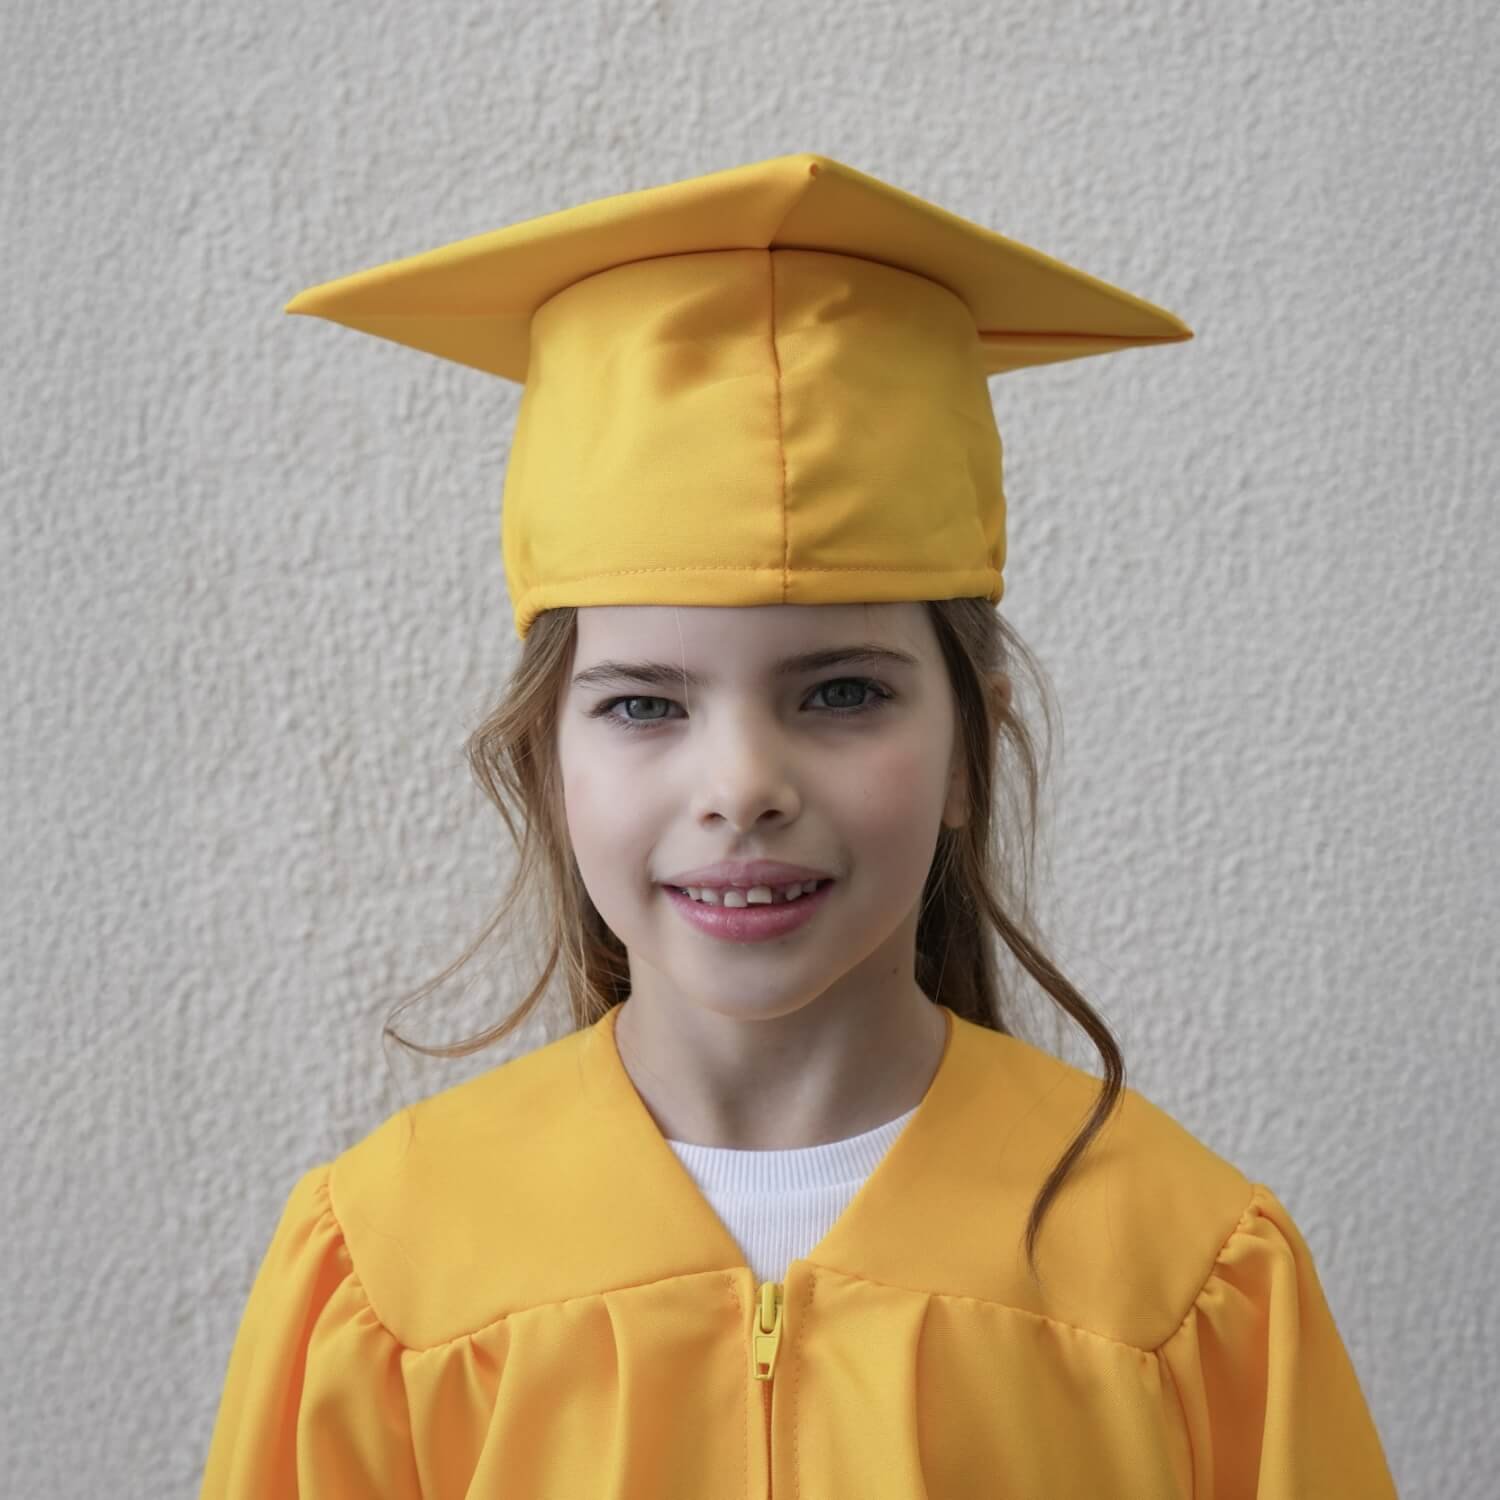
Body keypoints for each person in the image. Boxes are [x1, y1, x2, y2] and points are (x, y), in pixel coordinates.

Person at [198, 152, 1399, 1496]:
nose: (742, 784)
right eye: (645, 705)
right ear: (549, 760)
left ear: (968, 750)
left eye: (840, 691)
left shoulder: (1181, 1271)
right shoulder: (388, 1265)